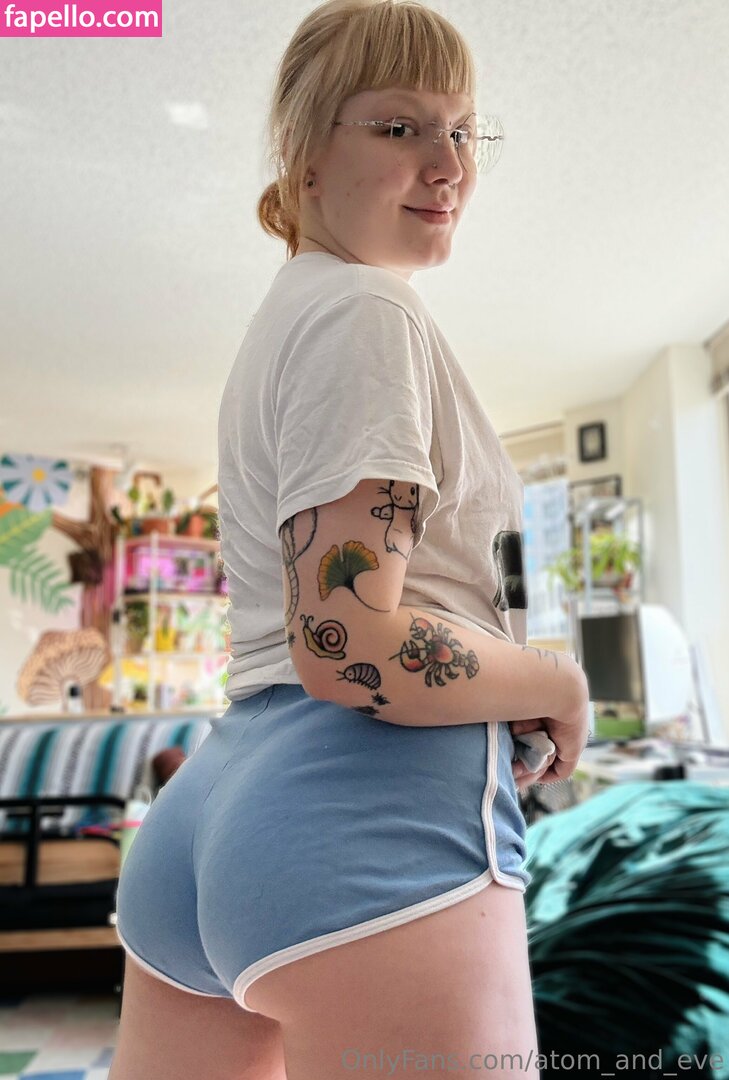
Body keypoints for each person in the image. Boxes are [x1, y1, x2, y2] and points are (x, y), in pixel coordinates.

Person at [109, 1, 590, 1077]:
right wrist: (555, 680)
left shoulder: (287, 321)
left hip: (211, 816)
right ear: (305, 152)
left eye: (463, 131)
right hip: (367, 815)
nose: (448, 164)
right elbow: (348, 642)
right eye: (400, 127)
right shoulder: (370, 311)